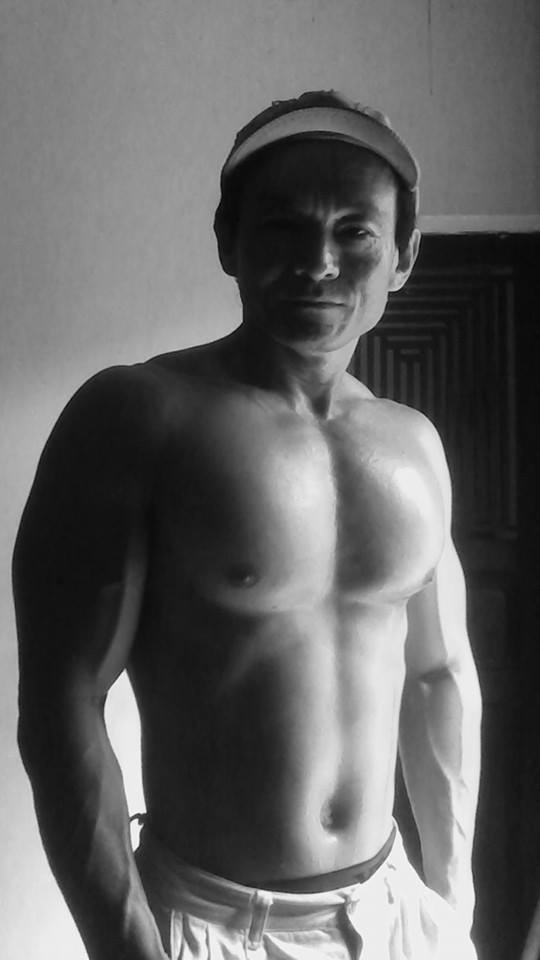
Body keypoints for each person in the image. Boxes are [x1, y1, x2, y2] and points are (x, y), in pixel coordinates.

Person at [13, 91, 482, 960]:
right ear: (228, 239)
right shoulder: (136, 417)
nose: (320, 263)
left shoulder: (415, 446)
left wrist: (451, 902)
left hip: (394, 915)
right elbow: (62, 704)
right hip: (216, 925)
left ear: (404, 254)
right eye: (282, 227)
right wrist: (127, 946)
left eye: (355, 231)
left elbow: (439, 675)